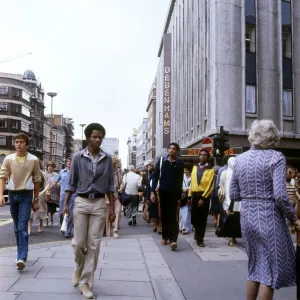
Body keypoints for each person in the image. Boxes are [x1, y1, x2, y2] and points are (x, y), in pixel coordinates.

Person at [230, 120, 300, 300]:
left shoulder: (239, 160)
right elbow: (280, 196)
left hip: (247, 216)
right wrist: (294, 218)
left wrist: (251, 197)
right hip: (269, 217)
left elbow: (234, 194)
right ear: (273, 137)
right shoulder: (276, 158)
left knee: (254, 267)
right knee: (269, 272)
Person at [63, 123, 115, 299]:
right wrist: (65, 204)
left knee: (94, 245)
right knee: (78, 243)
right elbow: (71, 183)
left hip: (100, 203)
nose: (98, 139)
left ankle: (86, 282)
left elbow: (110, 185)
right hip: (81, 201)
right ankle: (79, 266)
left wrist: (112, 208)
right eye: (94, 136)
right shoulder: (77, 157)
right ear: (88, 138)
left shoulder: (107, 158)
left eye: (100, 137)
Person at [0, 133, 41, 270]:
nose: (18, 144)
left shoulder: (33, 160)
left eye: (21, 142)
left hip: (26, 195)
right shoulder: (9, 159)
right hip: (12, 195)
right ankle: (21, 253)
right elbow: (3, 177)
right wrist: (1, 195)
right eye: (16, 142)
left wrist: (36, 200)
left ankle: (21, 256)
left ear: (26, 144)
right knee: (17, 228)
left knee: (22, 226)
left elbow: (37, 181)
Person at [151, 143, 184, 251]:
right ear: (167, 150)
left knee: (173, 217)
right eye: (170, 148)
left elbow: (180, 181)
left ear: (177, 151)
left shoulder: (179, 164)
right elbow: (155, 177)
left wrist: (179, 197)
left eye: (174, 149)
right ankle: (165, 237)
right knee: (164, 216)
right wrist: (152, 192)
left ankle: (173, 239)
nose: (171, 150)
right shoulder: (161, 162)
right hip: (163, 193)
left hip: (174, 194)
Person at [189, 149, 214, 247]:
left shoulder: (210, 170)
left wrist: (203, 199)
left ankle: (200, 239)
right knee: (194, 219)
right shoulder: (195, 167)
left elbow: (210, 186)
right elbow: (192, 183)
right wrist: (189, 196)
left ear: (208, 157)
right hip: (194, 195)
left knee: (202, 219)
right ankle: (197, 232)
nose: (202, 156)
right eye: (201, 155)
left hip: (204, 196)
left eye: (205, 155)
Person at [47, 158, 76, 238]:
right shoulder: (62, 172)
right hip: (63, 194)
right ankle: (63, 226)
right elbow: (55, 181)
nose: (69, 163)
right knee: (61, 213)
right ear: (66, 163)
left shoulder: (75, 172)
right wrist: (48, 189)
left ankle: (68, 231)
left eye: (70, 162)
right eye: (68, 162)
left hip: (73, 195)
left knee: (70, 214)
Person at [219, 157, 240, 246]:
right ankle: (232, 236)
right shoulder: (239, 172)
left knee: (231, 217)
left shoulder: (224, 172)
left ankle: (231, 236)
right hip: (235, 199)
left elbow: (220, 184)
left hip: (229, 199)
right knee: (235, 217)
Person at [44, 161, 59, 226]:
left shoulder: (56, 175)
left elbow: (58, 182)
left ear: (53, 168)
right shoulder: (44, 174)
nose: (50, 168)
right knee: (45, 206)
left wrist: (57, 184)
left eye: (51, 166)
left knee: (52, 207)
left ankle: (52, 218)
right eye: (49, 166)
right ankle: (46, 220)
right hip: (45, 191)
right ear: (47, 167)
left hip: (53, 192)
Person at [180, 162, 193, 235]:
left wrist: (188, 188)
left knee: (190, 211)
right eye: (184, 170)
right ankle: (185, 227)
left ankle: (190, 226)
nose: (185, 171)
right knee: (184, 211)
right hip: (184, 197)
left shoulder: (193, 177)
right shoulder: (181, 177)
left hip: (192, 196)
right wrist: (183, 189)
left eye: (186, 170)